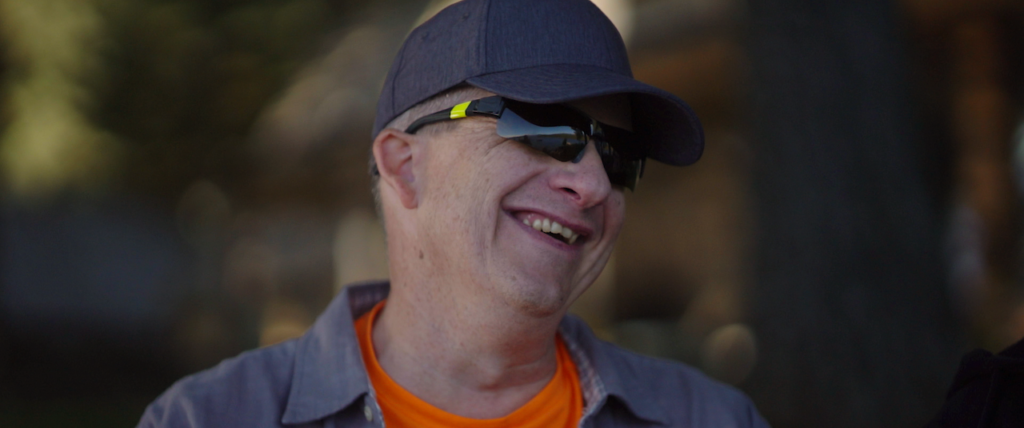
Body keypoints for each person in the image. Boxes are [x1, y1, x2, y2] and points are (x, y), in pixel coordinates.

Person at [138, 0, 769, 426]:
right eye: (544, 128)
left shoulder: (710, 419)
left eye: (619, 155)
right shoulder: (209, 417)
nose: (593, 183)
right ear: (405, 166)